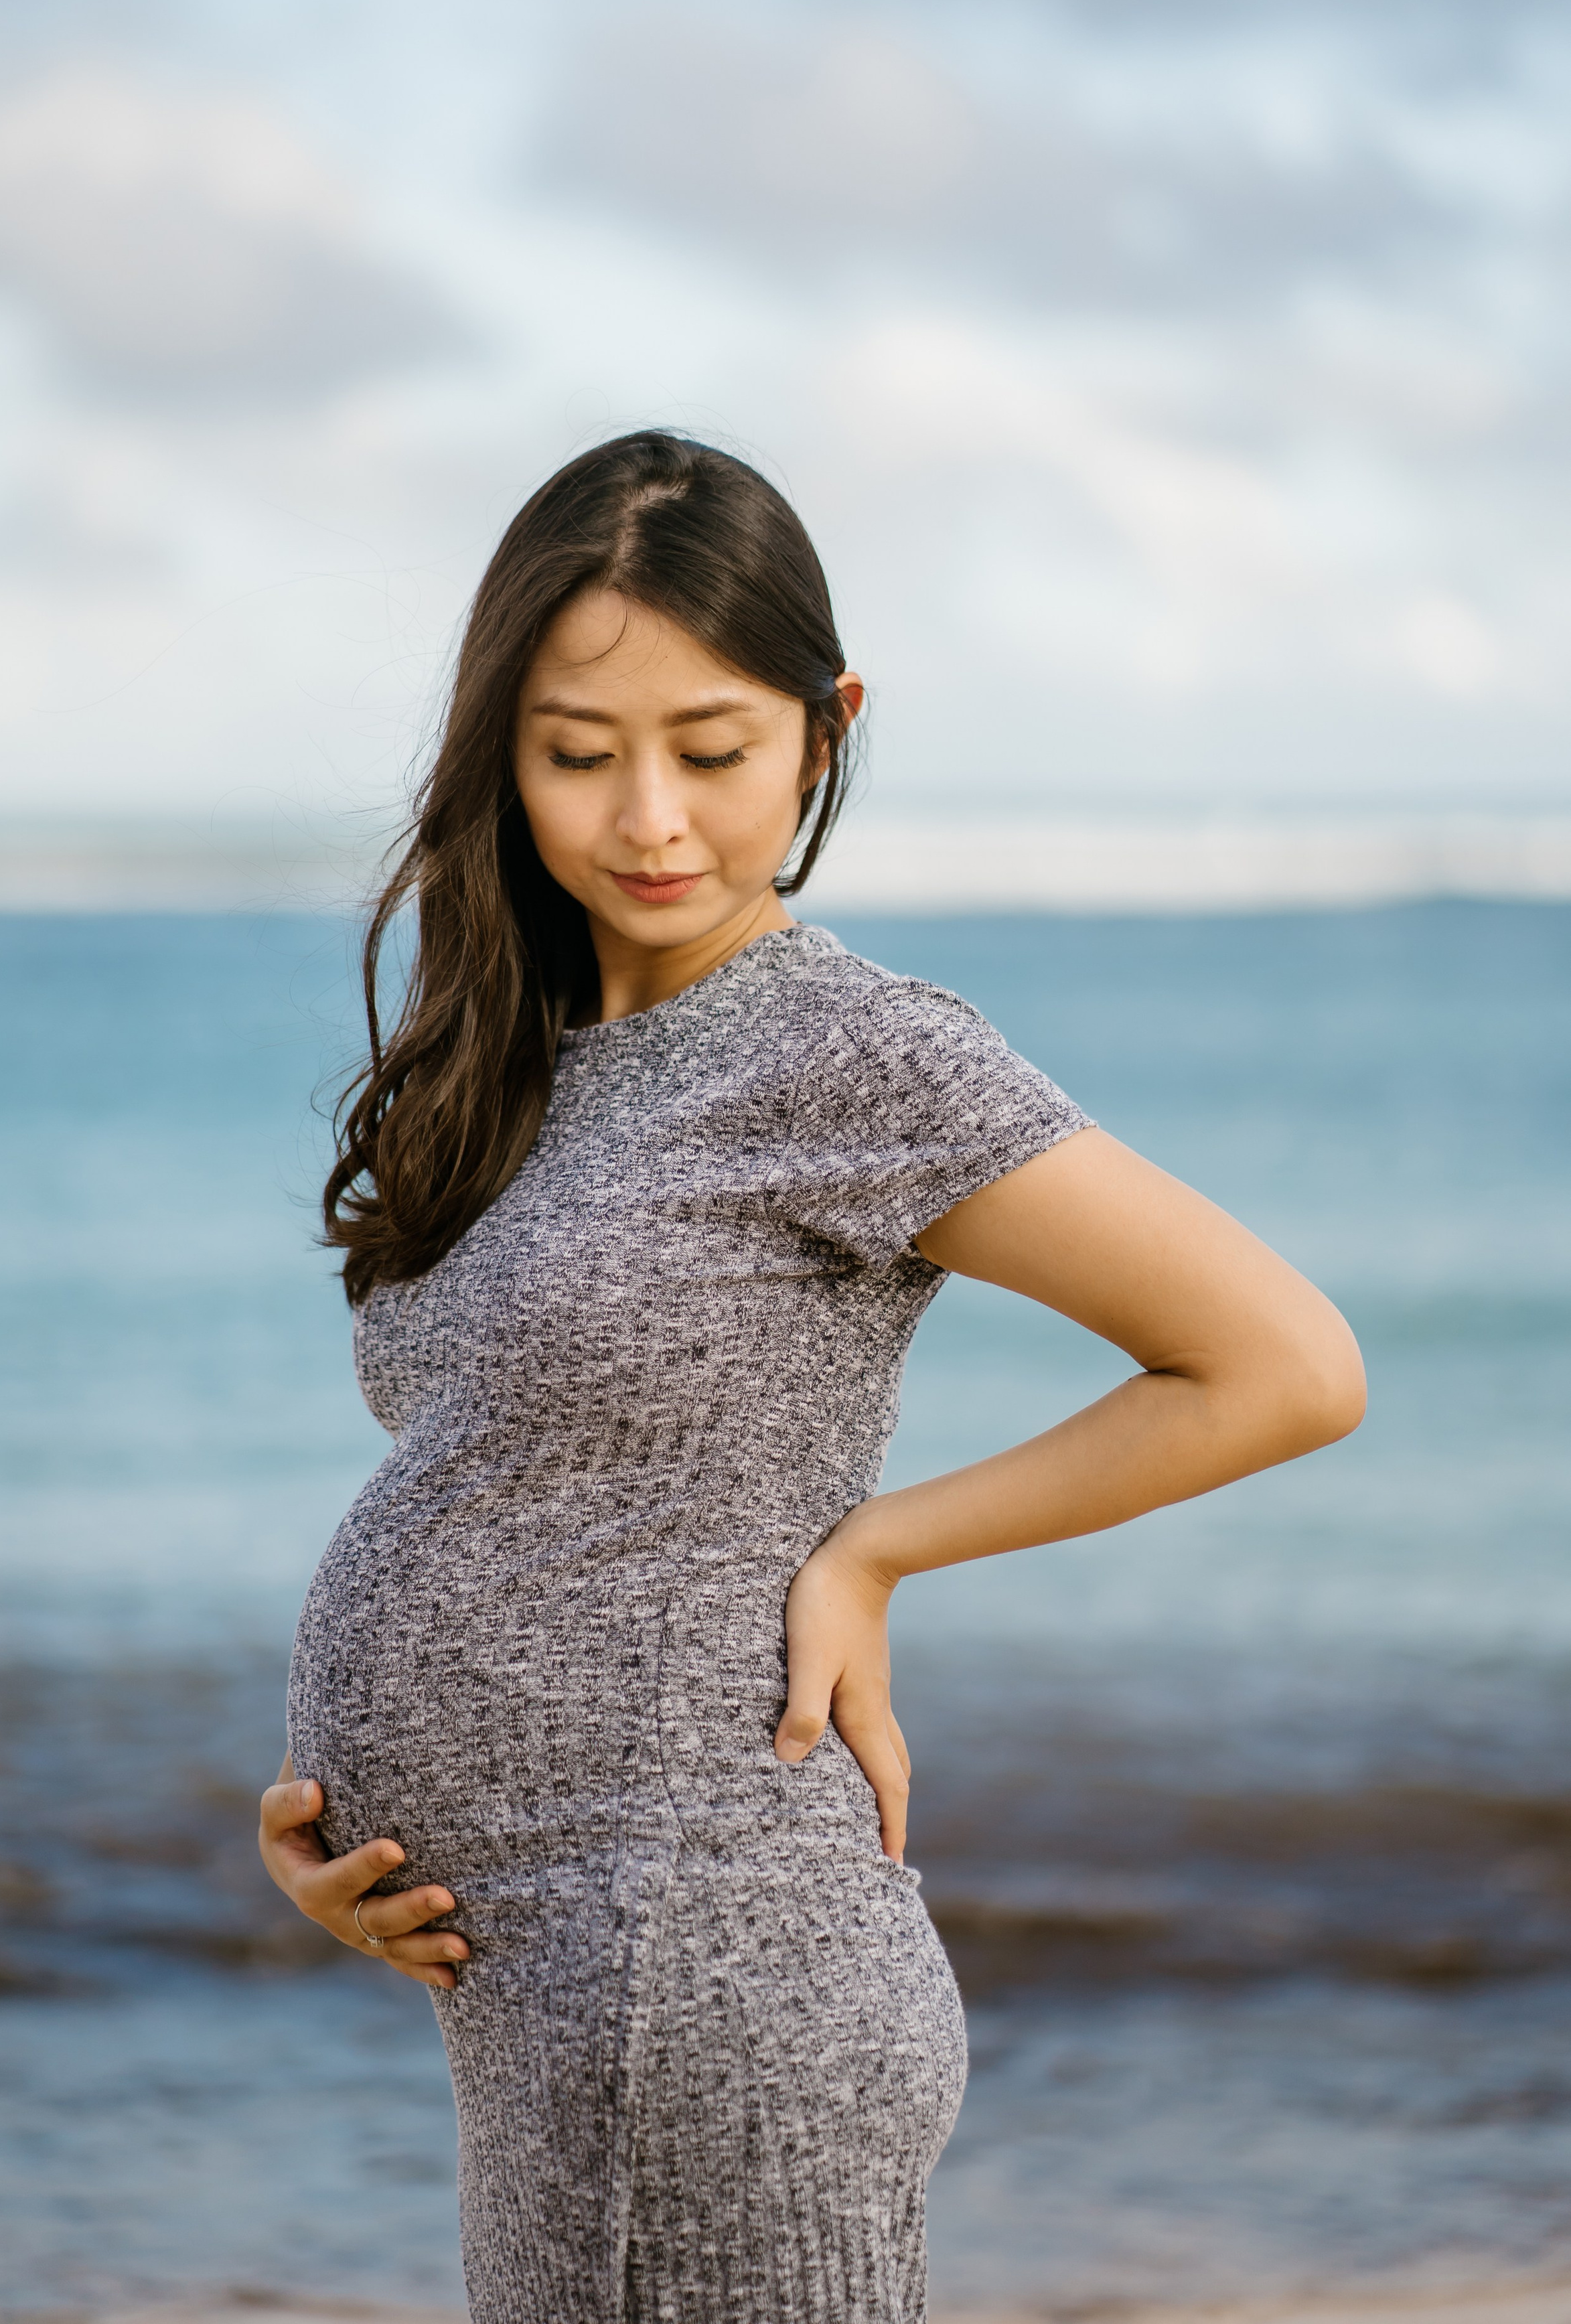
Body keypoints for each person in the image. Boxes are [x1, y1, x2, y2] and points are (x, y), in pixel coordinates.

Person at [258, 431, 1365, 2324]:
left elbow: (1281, 1364)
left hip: (708, 1977)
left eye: (713, 748)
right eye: (577, 751)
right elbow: (529, 1494)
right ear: (499, 745)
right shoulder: (526, 1066)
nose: (647, 819)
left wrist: (875, 1555)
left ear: (824, 730)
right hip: (558, 1994)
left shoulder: (854, 1055)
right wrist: (336, 1849)